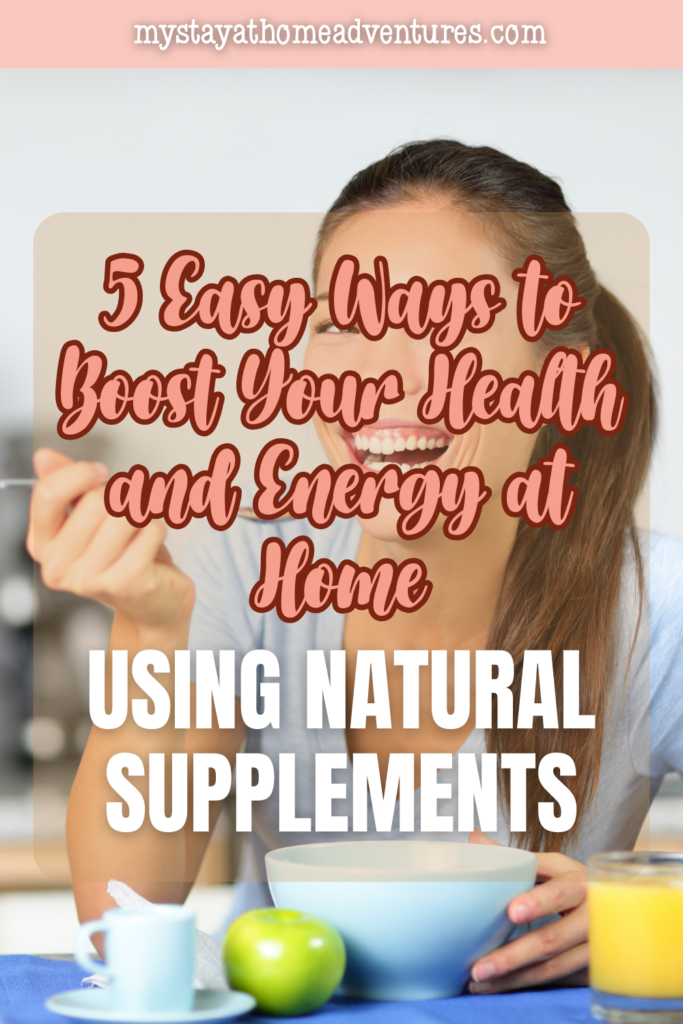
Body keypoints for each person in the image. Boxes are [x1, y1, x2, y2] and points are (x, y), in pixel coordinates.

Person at [28, 140, 683, 994]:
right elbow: (125, 922)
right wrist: (148, 626)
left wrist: (656, 907)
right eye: (343, 323)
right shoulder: (252, 560)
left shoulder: (651, 604)